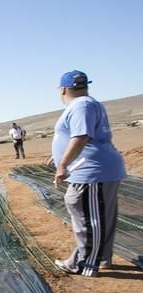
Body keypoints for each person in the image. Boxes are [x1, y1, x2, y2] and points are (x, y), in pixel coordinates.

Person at [51, 70, 126, 277]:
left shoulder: (81, 105)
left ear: (63, 89)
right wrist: (57, 155)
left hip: (92, 171)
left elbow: (81, 136)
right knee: (99, 215)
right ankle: (102, 259)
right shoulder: (88, 104)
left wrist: (62, 165)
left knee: (87, 216)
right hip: (96, 170)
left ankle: (84, 264)